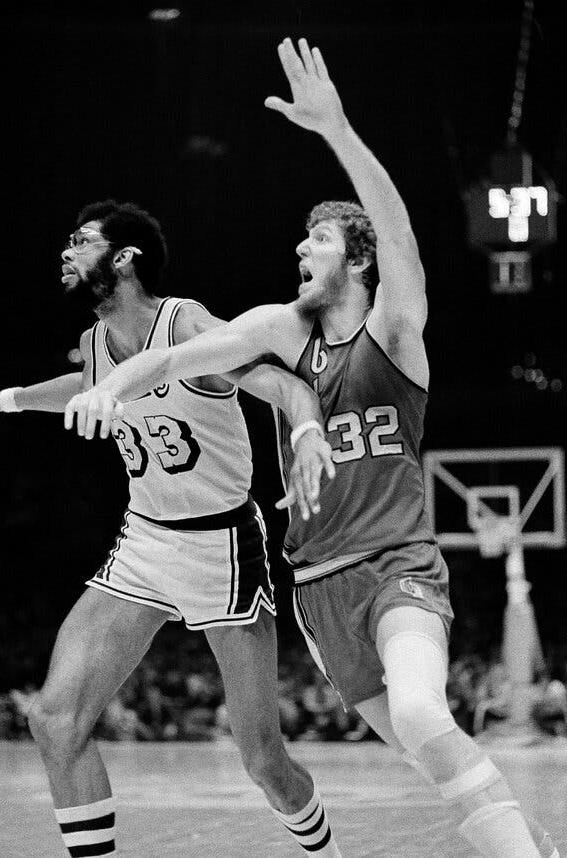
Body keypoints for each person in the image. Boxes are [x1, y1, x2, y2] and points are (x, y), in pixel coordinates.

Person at [66, 39, 560, 858]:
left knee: (421, 714)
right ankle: (526, 838)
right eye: (302, 241)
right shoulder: (277, 331)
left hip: (398, 563)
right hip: (317, 587)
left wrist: (336, 129)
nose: (301, 250)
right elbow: (177, 356)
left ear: (356, 260)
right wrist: (109, 386)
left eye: (318, 242)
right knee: (424, 754)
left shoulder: (395, 334)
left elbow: (398, 235)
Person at [0, 199, 343, 857]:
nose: (64, 251)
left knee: (262, 763)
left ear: (125, 258)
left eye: (80, 241)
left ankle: (325, 850)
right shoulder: (94, 342)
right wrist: (7, 400)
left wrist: (308, 428)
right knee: (54, 720)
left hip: (223, 547)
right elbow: (85, 380)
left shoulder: (185, 322)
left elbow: (275, 382)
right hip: (145, 540)